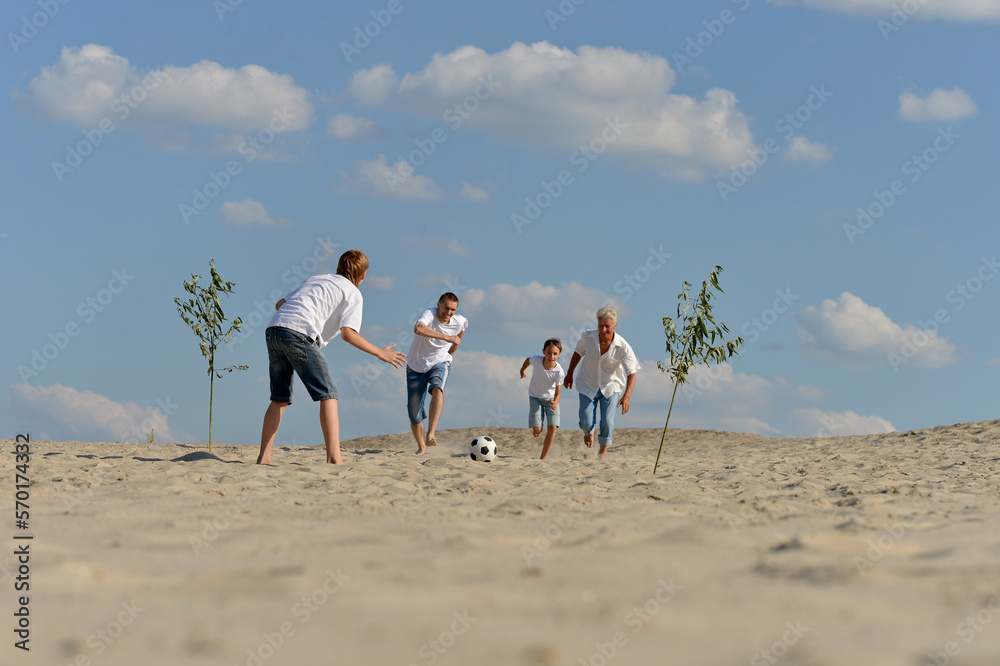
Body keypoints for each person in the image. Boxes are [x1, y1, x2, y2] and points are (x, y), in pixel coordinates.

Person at [256, 250, 405, 465]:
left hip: (274, 329)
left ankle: (264, 457)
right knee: (329, 394)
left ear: (339, 267)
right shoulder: (353, 293)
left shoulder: (316, 279)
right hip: (298, 334)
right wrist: (380, 352)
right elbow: (348, 333)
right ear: (362, 276)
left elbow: (280, 304)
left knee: (279, 398)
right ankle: (335, 458)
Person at [563, 306, 639, 460]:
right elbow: (577, 354)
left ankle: (602, 452)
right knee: (586, 419)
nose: (603, 329)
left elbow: (632, 373)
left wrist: (627, 396)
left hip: (610, 386)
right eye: (600, 325)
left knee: (607, 421)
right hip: (587, 383)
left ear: (615, 326)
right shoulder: (588, 338)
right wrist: (569, 373)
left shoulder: (623, 347)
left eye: (607, 326)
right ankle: (588, 432)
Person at [406, 292, 468, 453]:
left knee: (437, 389)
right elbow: (418, 328)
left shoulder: (459, 321)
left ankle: (431, 434)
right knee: (414, 414)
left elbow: (462, 328)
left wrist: (455, 346)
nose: (449, 313)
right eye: (446, 308)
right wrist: (447, 338)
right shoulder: (429, 314)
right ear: (438, 304)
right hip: (416, 366)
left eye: (453, 310)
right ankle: (421, 447)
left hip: (440, 362)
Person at [519, 339, 564, 460]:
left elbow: (558, 393)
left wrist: (556, 402)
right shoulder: (537, 360)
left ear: (559, 354)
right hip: (535, 397)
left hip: (551, 400)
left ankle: (543, 458)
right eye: (549, 353)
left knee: (553, 427)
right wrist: (522, 370)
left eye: (555, 354)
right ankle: (537, 428)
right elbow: (527, 360)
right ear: (544, 352)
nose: (552, 356)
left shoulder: (559, 371)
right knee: (537, 429)